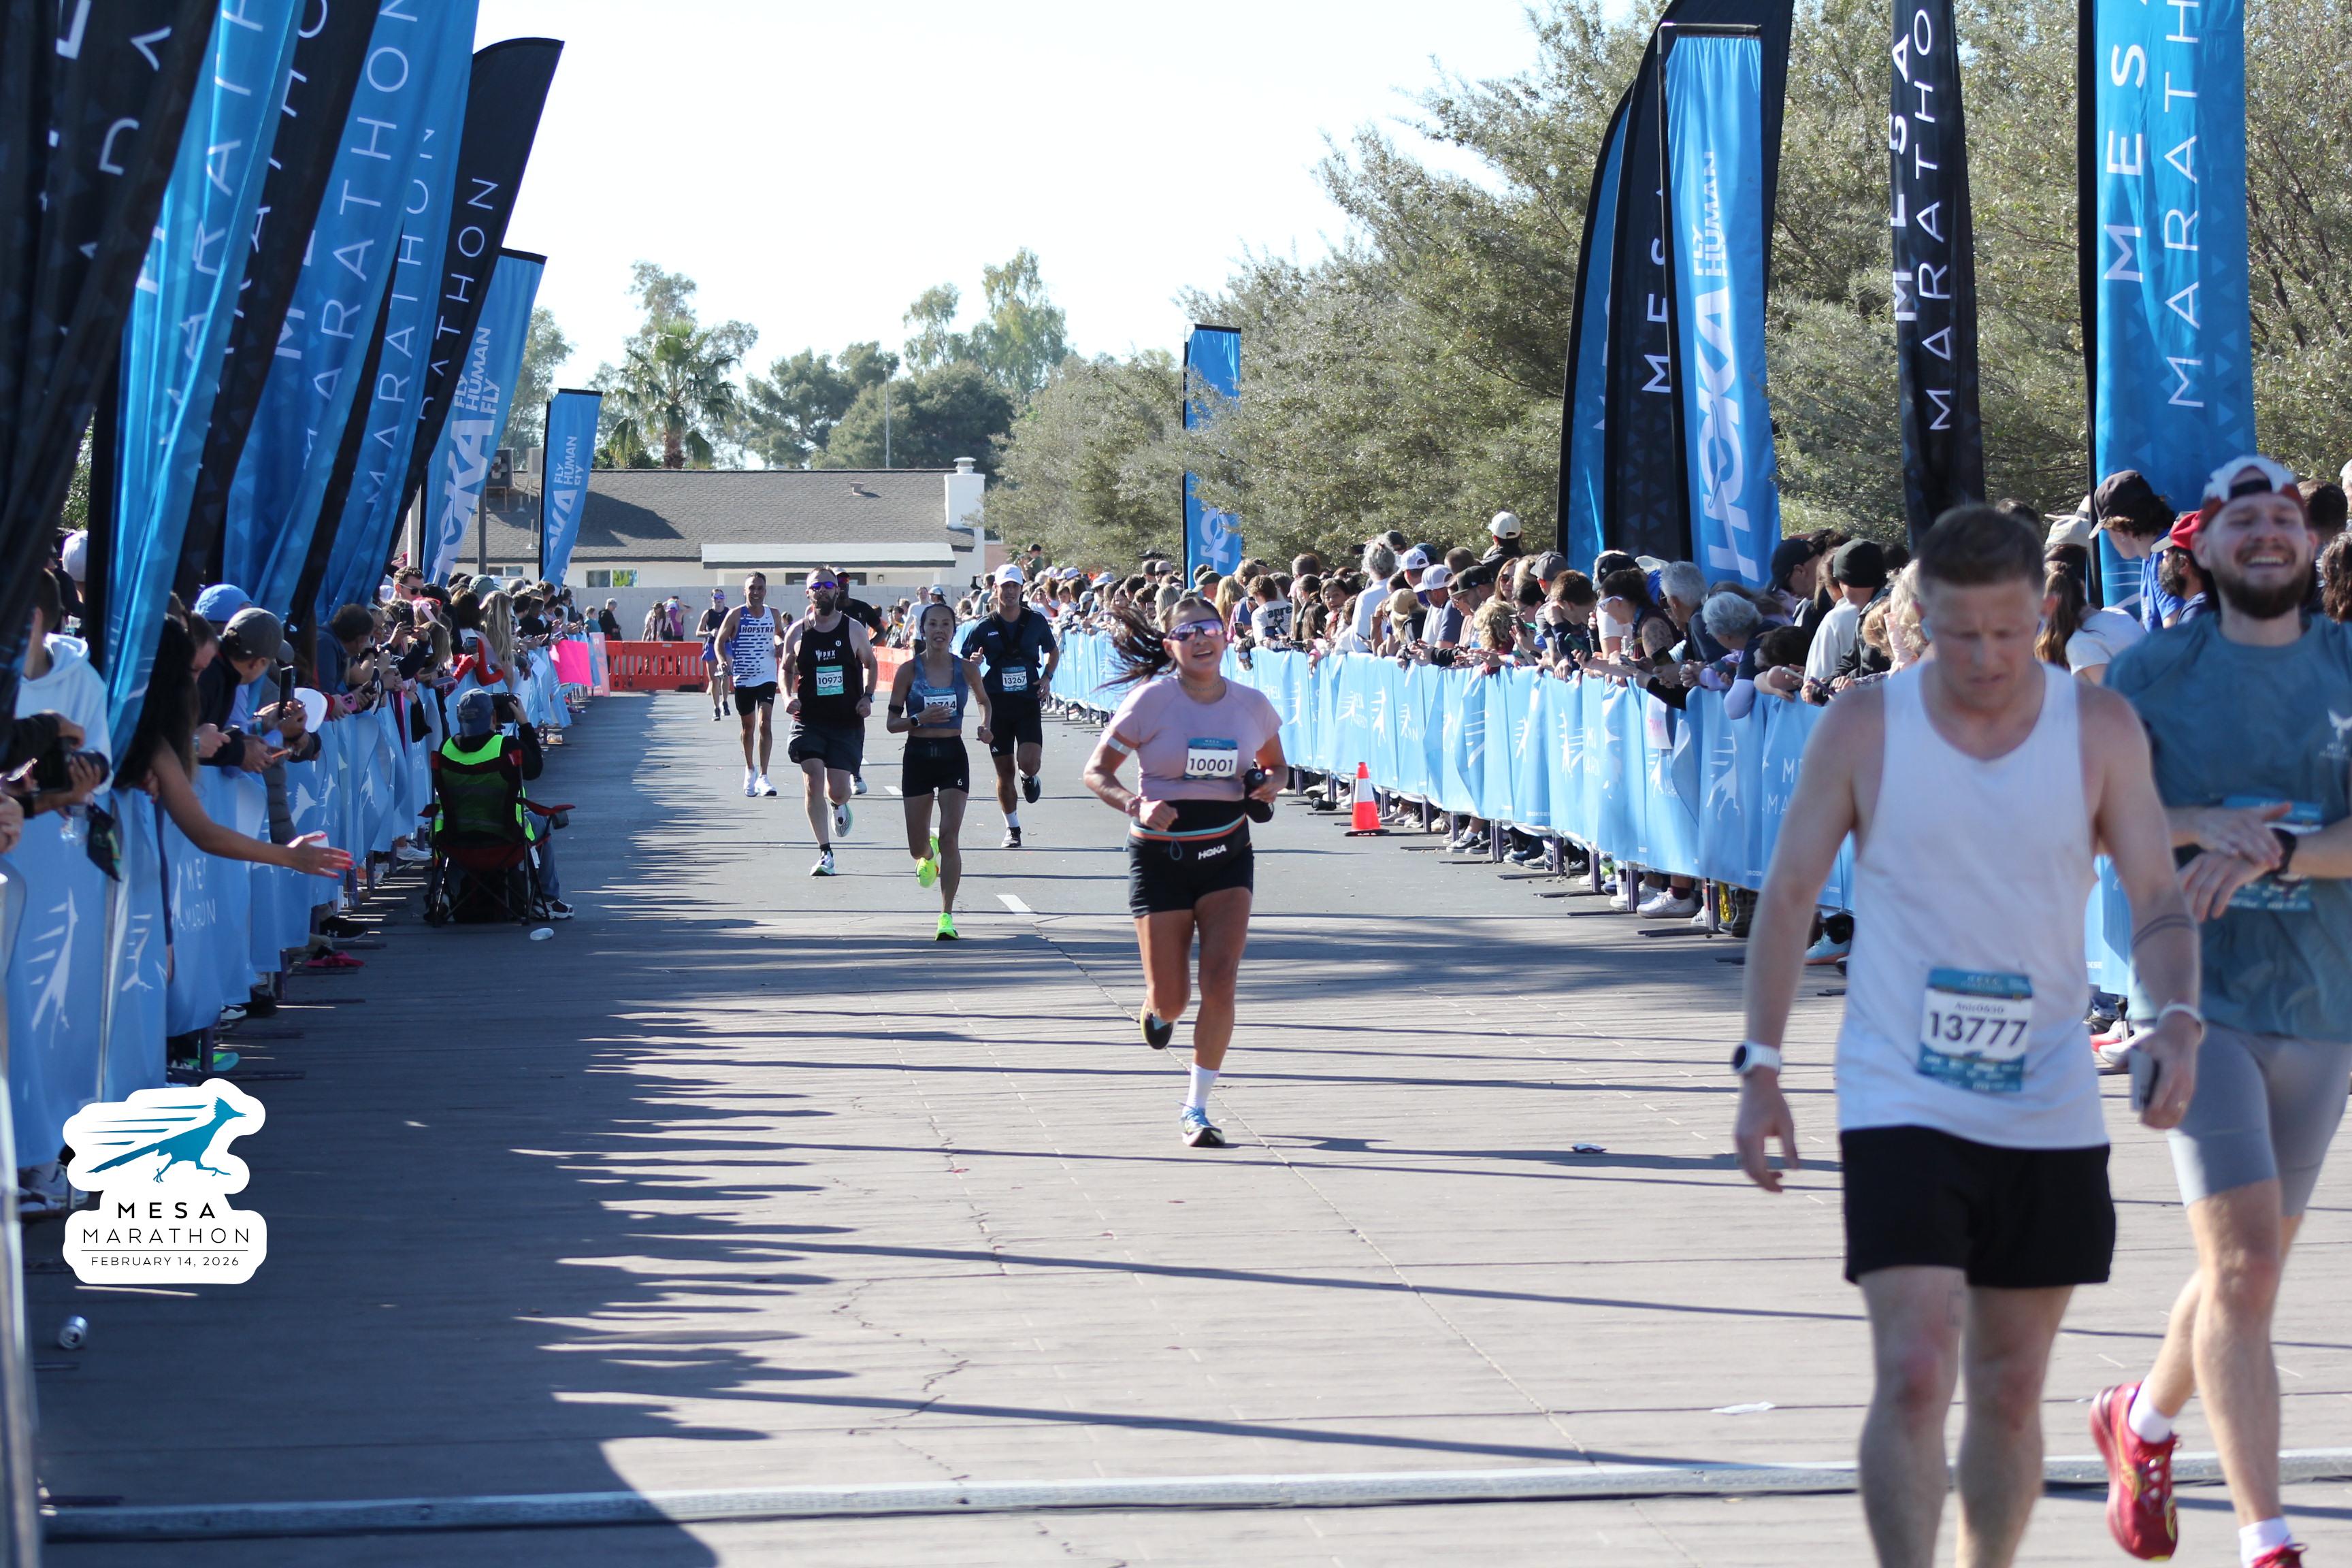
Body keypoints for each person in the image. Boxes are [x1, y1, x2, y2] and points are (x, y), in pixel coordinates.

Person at [1732, 503, 2202, 1568]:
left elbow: (2158, 899)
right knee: (1913, 1373)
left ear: (2042, 612)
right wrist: (1761, 1067)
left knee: (2010, 1384)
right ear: (1919, 619)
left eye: (2007, 631)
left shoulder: (2097, 729)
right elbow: (1790, 895)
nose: (1987, 657)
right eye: (1960, 634)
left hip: (2046, 1095)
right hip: (1901, 1086)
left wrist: (2176, 1018)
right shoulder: (1865, 727)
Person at [2091, 456, 2352, 1568]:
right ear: (2201, 546)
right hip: (2196, 998)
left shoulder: (2347, 663)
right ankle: (2267, 1539)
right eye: (2244, 517)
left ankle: (2141, 1419)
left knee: (2245, 1271)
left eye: (2284, 515)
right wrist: (2198, 822)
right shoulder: (2149, 673)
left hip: (2324, 1002)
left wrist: (2281, 850)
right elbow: (2094, 815)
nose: (2268, 531)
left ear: (2310, 542)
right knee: (2243, 1268)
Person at [1081, 595, 1285, 1149]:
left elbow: (1277, 765)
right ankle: (1157, 1010)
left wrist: (1269, 784)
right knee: (1172, 998)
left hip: (1227, 855)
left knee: (1221, 982)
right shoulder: (1150, 702)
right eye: (1187, 632)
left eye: (1210, 629)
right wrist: (1136, 804)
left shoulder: (1251, 705)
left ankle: (1196, 1107)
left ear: (1226, 636)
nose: (1200, 639)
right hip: (1161, 859)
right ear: (1170, 645)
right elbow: (1096, 772)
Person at [887, 602, 987, 940]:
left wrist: (985, 726)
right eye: (933, 624)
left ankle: (947, 916)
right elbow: (891, 723)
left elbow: (984, 701)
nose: (939, 630)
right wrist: (919, 719)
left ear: (954, 630)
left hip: (952, 756)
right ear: (923, 630)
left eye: (946, 624)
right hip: (917, 756)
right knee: (917, 848)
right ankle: (927, 854)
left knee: (950, 836)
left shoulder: (966, 670)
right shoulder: (908, 671)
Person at [781, 568, 877, 876]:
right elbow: (785, 668)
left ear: (837, 591)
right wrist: (786, 697)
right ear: (807, 592)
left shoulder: (853, 629)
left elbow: (871, 664)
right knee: (812, 780)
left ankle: (839, 804)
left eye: (828, 585)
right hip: (809, 719)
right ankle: (825, 853)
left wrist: (868, 697)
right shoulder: (797, 631)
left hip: (845, 721)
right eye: (816, 586)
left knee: (837, 791)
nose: (822, 590)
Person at [961, 565, 1059, 849]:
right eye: (1005, 586)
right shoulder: (983, 626)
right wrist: (974, 663)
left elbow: (1053, 651)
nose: (1011, 591)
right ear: (996, 590)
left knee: (1029, 762)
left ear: (1022, 589)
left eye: (1015, 586)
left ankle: (1029, 776)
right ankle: (1012, 828)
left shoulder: (1036, 621)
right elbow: (964, 660)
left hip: (1027, 702)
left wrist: (1047, 677)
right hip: (998, 706)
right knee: (1004, 771)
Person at [712, 573, 783, 798]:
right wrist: (722, 661)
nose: (756, 592)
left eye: (760, 588)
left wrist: (780, 644)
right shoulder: (736, 614)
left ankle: (764, 776)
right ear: (745, 591)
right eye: (752, 588)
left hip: (767, 676)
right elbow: (719, 641)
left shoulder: (773, 614)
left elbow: (779, 634)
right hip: (743, 677)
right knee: (748, 727)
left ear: (765, 591)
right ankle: (750, 769)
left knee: (765, 723)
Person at [696, 588, 730, 721]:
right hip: (711, 645)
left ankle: (725, 702)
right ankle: (716, 708)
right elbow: (698, 632)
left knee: (726, 675)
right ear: (712, 599)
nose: (719, 600)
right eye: (716, 597)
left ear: (724, 599)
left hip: (726, 644)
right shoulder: (708, 614)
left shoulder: (729, 612)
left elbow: (736, 628)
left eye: (721, 597)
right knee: (714, 680)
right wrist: (710, 633)